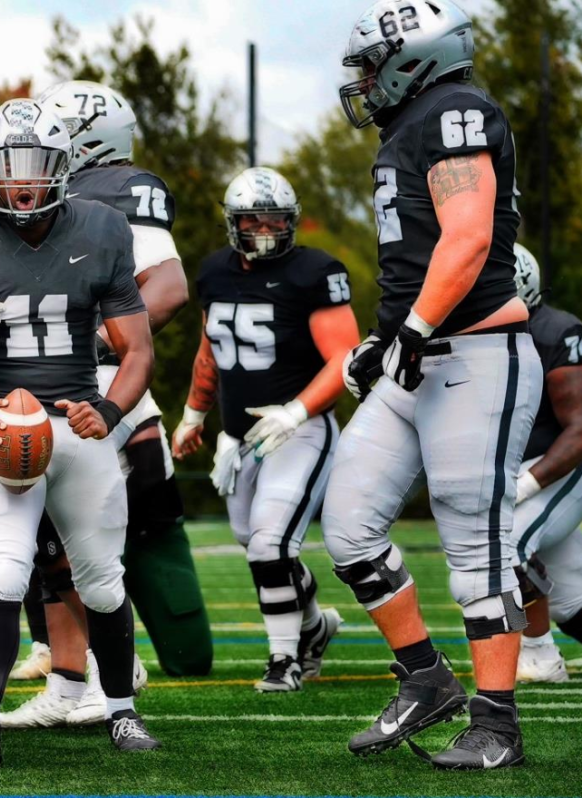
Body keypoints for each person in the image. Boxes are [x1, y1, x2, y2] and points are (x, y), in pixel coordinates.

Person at [327, 0, 537, 769]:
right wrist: (387, 339)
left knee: (477, 546)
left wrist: (409, 331)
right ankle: (426, 677)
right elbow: (419, 258)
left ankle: (498, 727)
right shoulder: (411, 124)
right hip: (418, 352)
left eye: (372, 65)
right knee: (348, 524)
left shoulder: (456, 110)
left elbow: (470, 236)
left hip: (477, 352)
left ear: (414, 58)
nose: (364, 82)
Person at [0, 99, 158, 765]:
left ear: (62, 168)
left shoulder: (104, 228)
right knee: (2, 571)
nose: (20, 181)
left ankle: (120, 710)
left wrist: (109, 412)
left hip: (78, 424)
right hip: (1, 432)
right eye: (6, 166)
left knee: (103, 579)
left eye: (35, 166)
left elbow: (136, 349)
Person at [0, 79, 206, 730]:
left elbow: (169, 287)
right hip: (52, 393)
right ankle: (70, 680)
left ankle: (105, 675)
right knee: (46, 545)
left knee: (75, 541)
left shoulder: (116, 188)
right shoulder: (52, 198)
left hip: (92, 397)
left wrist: (89, 333)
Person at [173, 167, 358, 692]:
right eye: (253, 218)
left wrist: (296, 411)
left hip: (300, 430)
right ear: (233, 222)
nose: (264, 227)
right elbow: (211, 350)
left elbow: (344, 358)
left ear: (292, 220)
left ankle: (284, 660)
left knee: (269, 545)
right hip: (241, 438)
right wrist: (194, 414)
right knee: (255, 541)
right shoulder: (213, 272)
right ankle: (315, 627)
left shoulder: (315, 272)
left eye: (275, 217)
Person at [506, 244, 582, 683]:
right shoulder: (470, 334)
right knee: (573, 599)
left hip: (558, 468)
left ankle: (538, 655)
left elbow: (580, 428)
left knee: (506, 546)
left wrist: (528, 483)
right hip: (516, 472)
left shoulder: (556, 333)